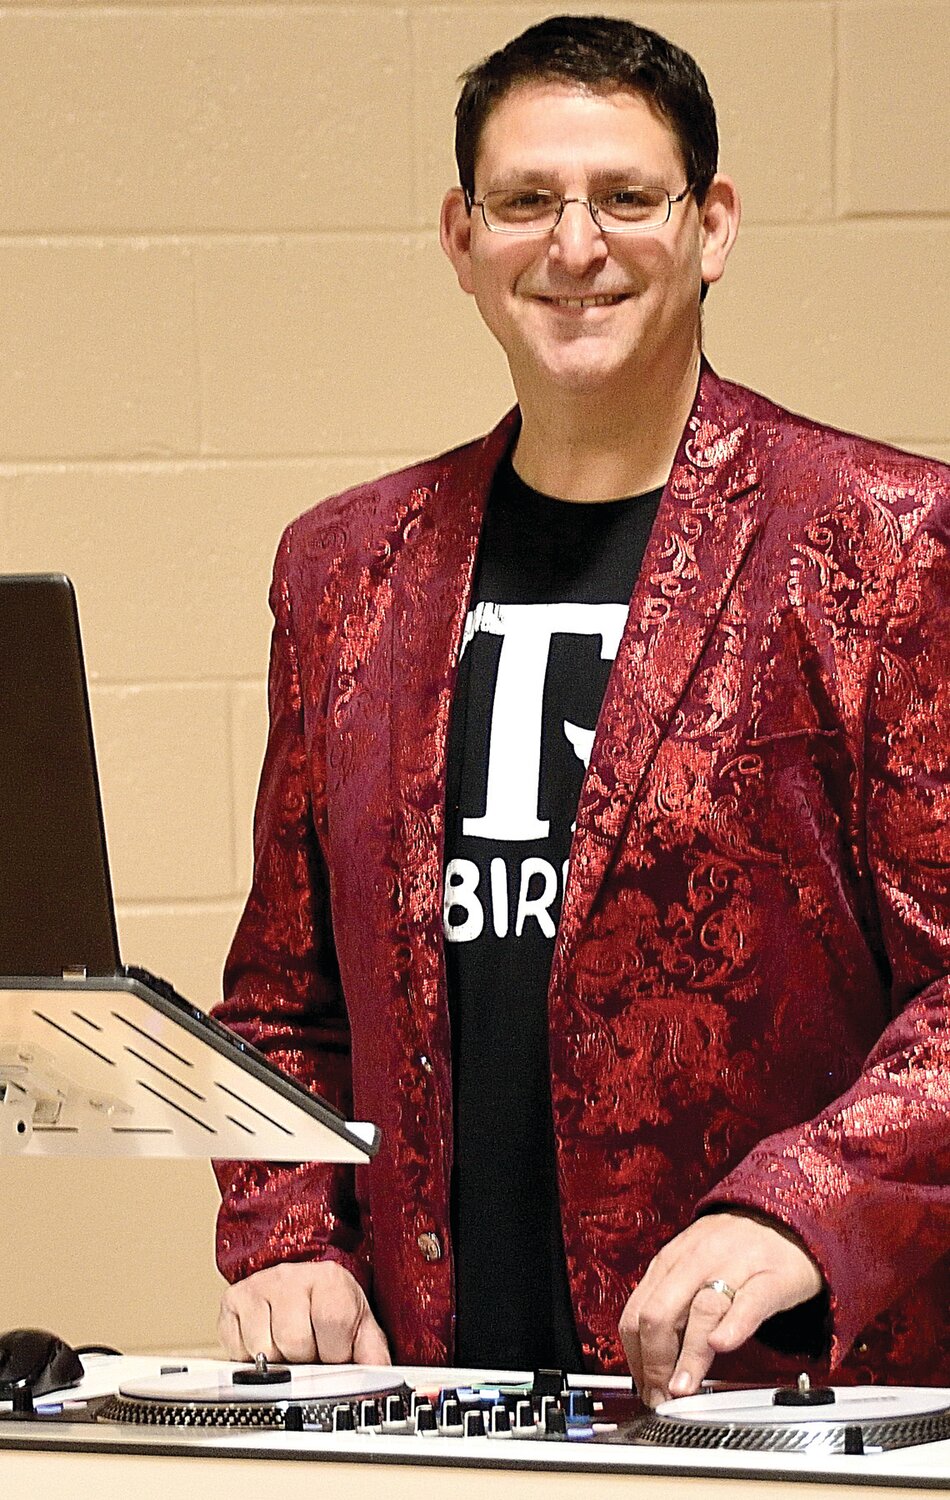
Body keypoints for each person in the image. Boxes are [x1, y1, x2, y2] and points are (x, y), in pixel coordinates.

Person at [213, 15, 950, 1406]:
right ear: (460, 237)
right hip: (434, 1391)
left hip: (771, 1399)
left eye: (624, 197)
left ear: (710, 225)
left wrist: (794, 1206)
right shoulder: (343, 569)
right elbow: (282, 996)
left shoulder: (881, 541)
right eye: (526, 201)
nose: (573, 245)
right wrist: (284, 1226)